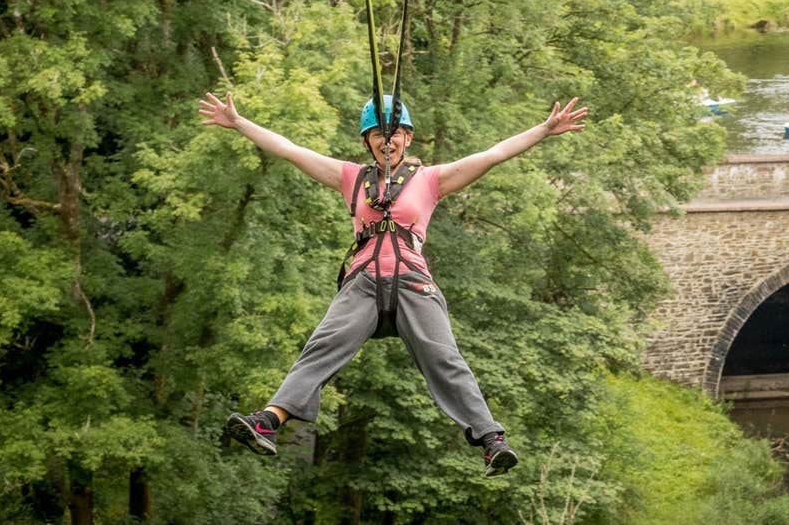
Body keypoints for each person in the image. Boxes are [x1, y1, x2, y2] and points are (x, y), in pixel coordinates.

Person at [198, 91, 588, 477]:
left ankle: (491, 441)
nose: (388, 141)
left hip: (413, 282)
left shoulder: (432, 180)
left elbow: (492, 154)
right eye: (379, 134)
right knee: (323, 345)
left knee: (443, 356)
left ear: (408, 138)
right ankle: (269, 420)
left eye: (396, 133)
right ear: (367, 141)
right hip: (364, 281)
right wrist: (239, 123)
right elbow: (290, 149)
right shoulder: (350, 177)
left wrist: (544, 129)